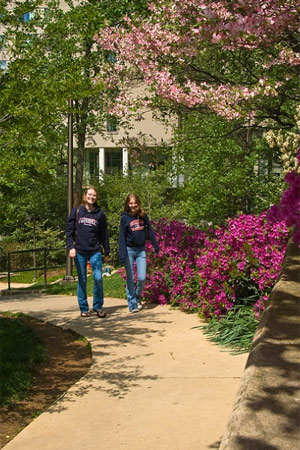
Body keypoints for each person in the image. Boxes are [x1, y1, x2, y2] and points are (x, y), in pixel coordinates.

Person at [66, 186, 110, 318]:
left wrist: (106, 251)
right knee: (82, 280)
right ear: (85, 196)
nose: (92, 197)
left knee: (98, 278)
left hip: (95, 250)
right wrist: (70, 247)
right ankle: (84, 308)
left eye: (94, 195)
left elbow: (104, 234)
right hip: (79, 251)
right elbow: (68, 231)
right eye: (89, 194)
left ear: (96, 198)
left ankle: (98, 306)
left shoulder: (99, 214)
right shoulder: (77, 210)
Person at [119, 193, 159, 313]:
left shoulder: (143, 216)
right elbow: (122, 236)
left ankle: (137, 297)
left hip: (141, 250)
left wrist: (155, 245)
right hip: (129, 250)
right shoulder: (124, 218)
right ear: (127, 204)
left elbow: (150, 231)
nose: (133, 205)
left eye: (135, 202)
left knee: (142, 277)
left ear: (138, 203)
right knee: (130, 278)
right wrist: (122, 254)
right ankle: (132, 304)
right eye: (131, 203)